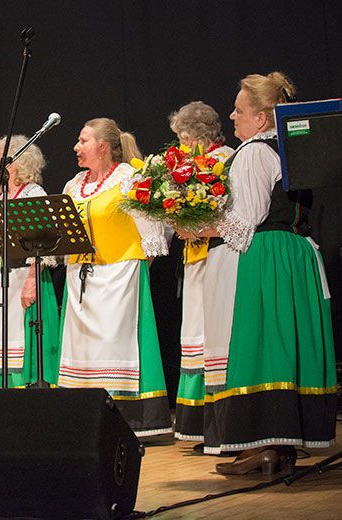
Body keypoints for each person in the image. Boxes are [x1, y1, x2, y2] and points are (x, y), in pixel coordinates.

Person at [177, 73, 336, 474]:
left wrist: (196, 228)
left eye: (240, 110)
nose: (232, 116)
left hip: (265, 256)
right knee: (283, 346)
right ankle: (282, 443)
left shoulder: (251, 153)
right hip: (293, 253)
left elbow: (245, 222)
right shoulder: (291, 150)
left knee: (260, 345)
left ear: (262, 118)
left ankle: (262, 443)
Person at [57, 118, 172, 437]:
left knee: (117, 346)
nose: (76, 148)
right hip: (82, 279)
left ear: (103, 147)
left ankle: (130, 417)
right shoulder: (73, 185)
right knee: (83, 350)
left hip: (120, 278)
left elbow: (153, 235)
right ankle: (84, 416)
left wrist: (134, 276)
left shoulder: (128, 178)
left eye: (83, 141)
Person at [168, 102, 235, 443]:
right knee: (195, 336)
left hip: (220, 257)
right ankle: (197, 424)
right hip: (195, 261)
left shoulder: (225, 159)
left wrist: (198, 226)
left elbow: (234, 212)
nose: (181, 144)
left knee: (215, 336)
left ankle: (221, 422)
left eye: (184, 137)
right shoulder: (188, 164)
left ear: (199, 136)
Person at [0, 135, 60, 387]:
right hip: (1, 278)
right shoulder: (3, 196)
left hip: (24, 276)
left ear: (15, 163)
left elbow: (46, 245)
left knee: (21, 339)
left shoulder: (33, 194)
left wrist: (32, 281)